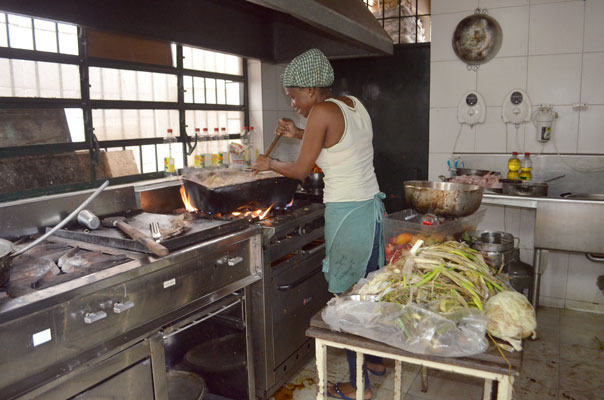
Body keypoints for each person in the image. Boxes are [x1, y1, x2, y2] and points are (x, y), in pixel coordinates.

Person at [253, 48, 386, 400]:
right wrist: (299, 132)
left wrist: (268, 162)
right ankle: (375, 362)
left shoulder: (321, 112)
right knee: (367, 292)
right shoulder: (351, 105)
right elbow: (334, 146)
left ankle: (358, 387)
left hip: (347, 214)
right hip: (370, 210)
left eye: (294, 95)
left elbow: (300, 170)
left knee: (347, 300)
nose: (293, 102)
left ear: (311, 90)